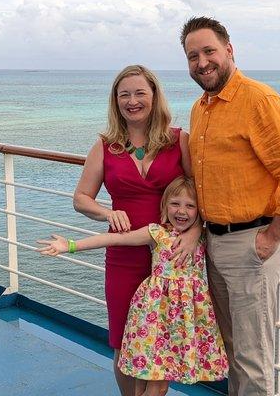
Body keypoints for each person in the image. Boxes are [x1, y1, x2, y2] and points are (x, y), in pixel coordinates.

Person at [180, 17, 280, 395]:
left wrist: (272, 237)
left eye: (209, 51)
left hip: (251, 243)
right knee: (231, 348)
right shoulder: (201, 108)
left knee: (252, 357)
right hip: (214, 242)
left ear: (229, 50)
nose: (202, 62)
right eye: (193, 56)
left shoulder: (259, 100)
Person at [72, 65, 199, 395]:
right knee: (124, 339)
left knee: (163, 340)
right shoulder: (105, 146)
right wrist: (107, 212)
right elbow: (81, 199)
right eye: (124, 94)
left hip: (170, 259)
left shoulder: (178, 140)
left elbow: (200, 194)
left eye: (140, 92)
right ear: (115, 101)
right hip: (123, 257)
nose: (132, 100)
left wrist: (194, 232)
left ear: (154, 96)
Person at [38, 176, 228, 396]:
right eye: (175, 204)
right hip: (156, 315)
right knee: (154, 384)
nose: (181, 211)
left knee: (153, 383)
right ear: (165, 206)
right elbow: (115, 239)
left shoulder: (202, 237)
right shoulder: (157, 233)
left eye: (190, 206)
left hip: (184, 320)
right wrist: (70, 245)